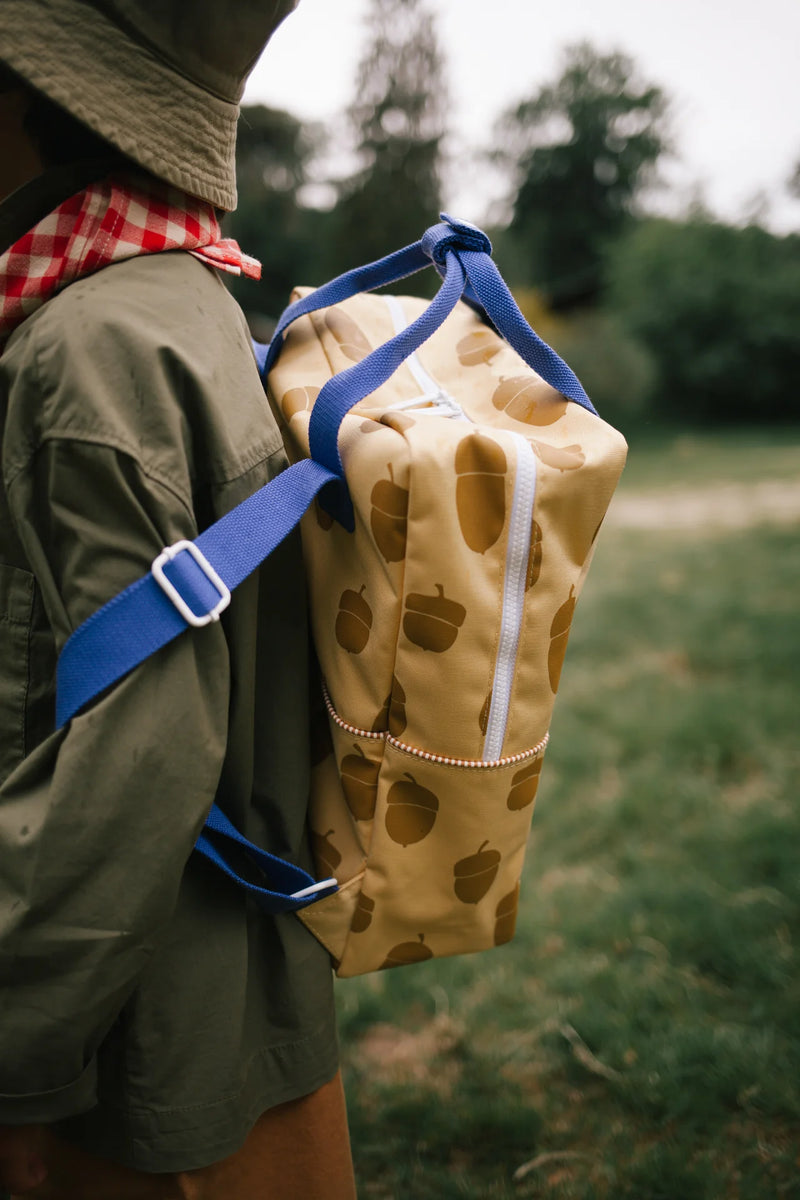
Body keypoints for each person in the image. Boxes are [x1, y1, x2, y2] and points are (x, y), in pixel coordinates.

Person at [0, 1, 356, 1196]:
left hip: (123, 1048)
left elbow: (135, 755)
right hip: (229, 983)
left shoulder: (82, 347)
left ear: (24, 101)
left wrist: (16, 1053)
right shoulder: (184, 298)